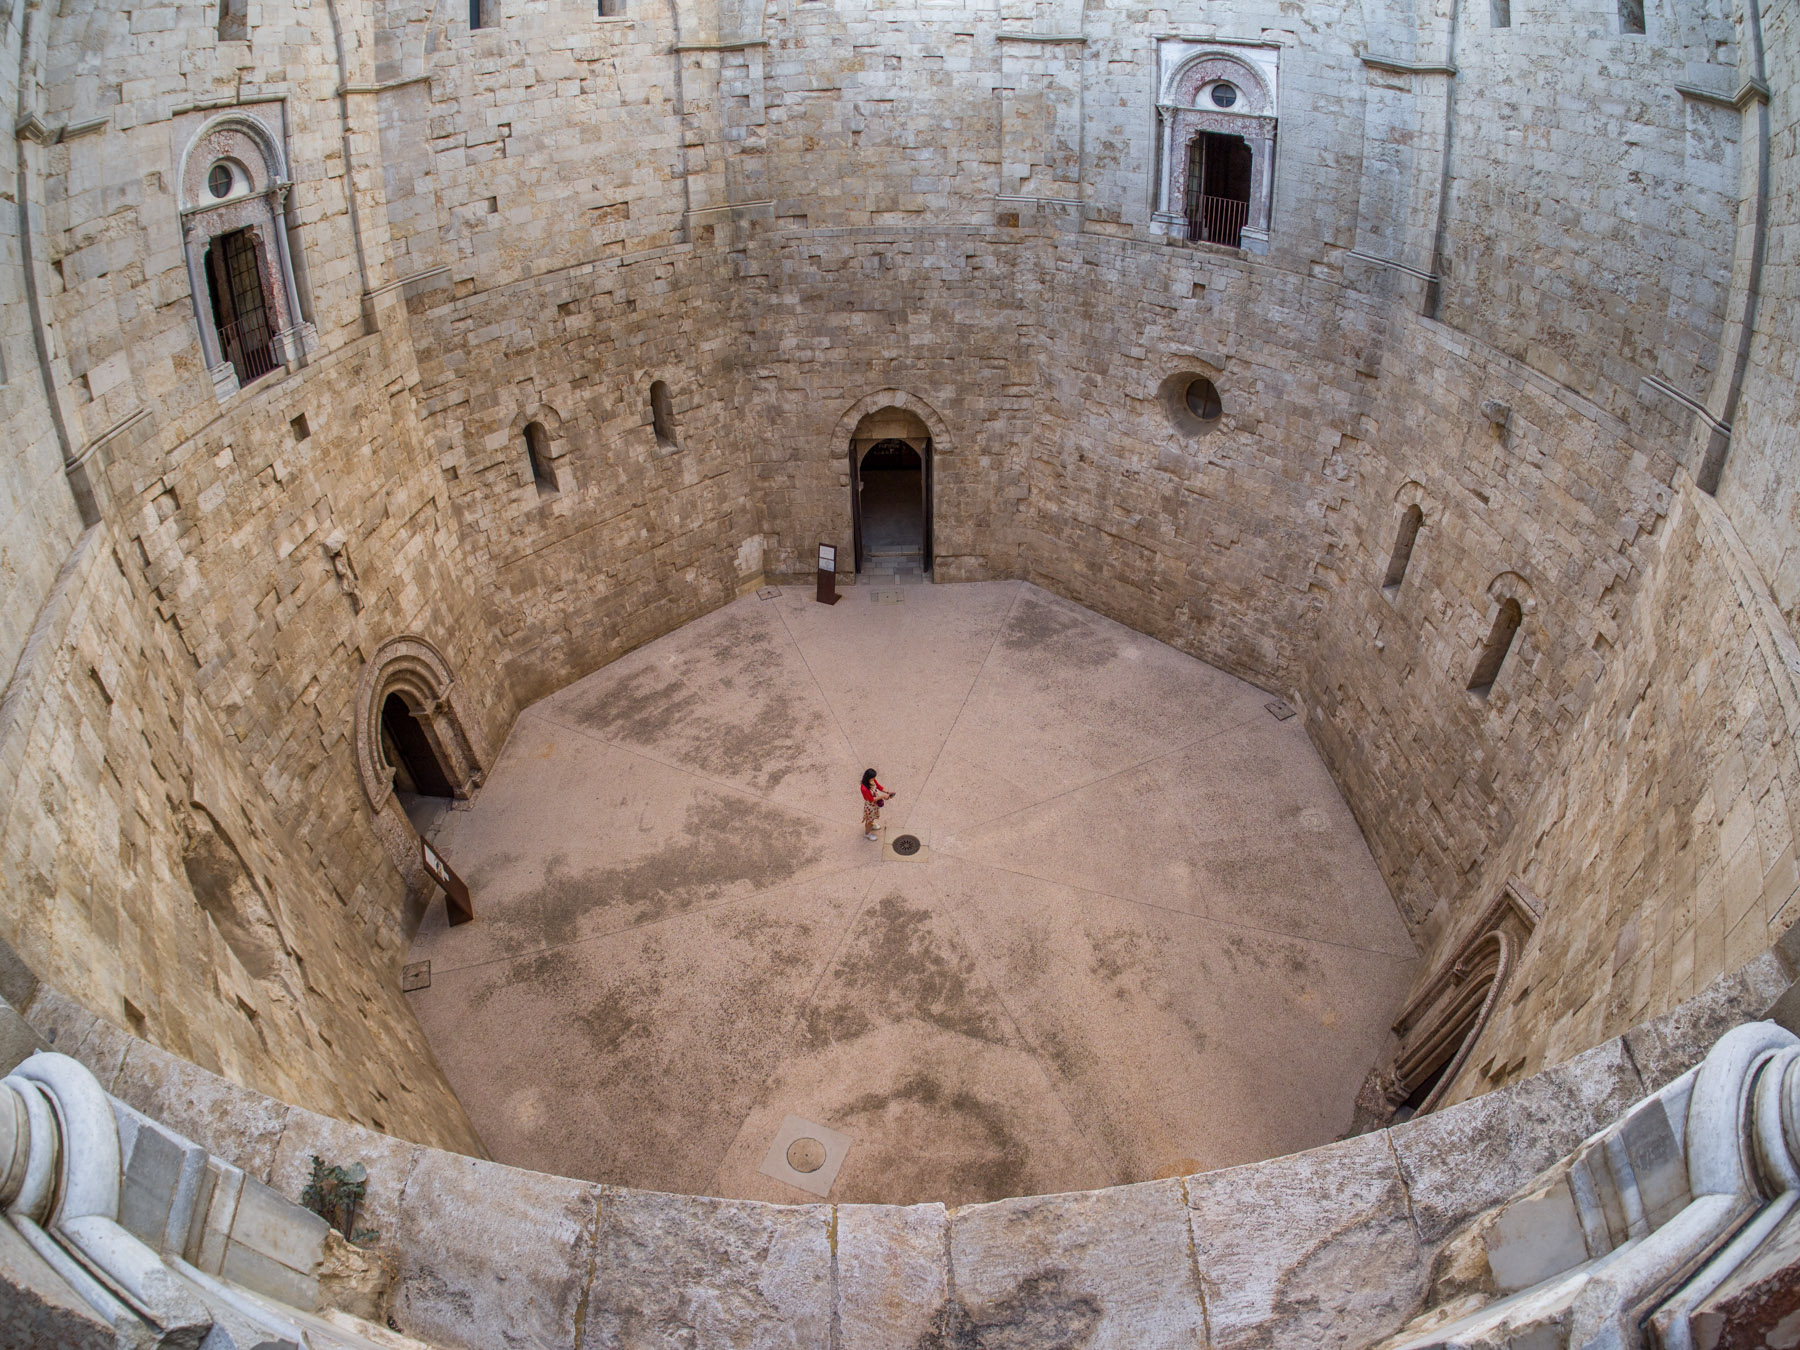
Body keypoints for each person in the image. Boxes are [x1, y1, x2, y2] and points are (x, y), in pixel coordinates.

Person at [860, 769, 894, 840]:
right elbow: (871, 799)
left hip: (874, 804)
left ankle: (871, 825)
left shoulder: (872, 780)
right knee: (869, 820)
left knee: (872, 818)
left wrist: (887, 792)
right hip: (870, 806)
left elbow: (879, 786)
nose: (874, 779)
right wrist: (883, 796)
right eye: (873, 777)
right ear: (868, 777)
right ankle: (867, 834)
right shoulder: (864, 788)